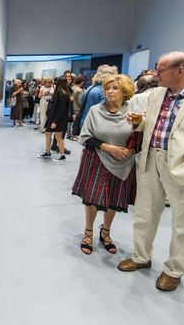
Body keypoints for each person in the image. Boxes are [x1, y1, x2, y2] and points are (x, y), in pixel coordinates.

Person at [118, 52, 184, 292]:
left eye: (160, 70)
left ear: (180, 71)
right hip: (151, 160)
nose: (155, 74)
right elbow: (150, 124)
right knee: (144, 214)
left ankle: (173, 270)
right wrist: (137, 123)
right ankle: (141, 256)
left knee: (182, 224)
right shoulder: (157, 94)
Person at [72, 74, 136, 255]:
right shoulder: (95, 110)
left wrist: (131, 149)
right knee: (92, 197)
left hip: (122, 161)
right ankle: (88, 231)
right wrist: (109, 148)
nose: (110, 91)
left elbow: (139, 135)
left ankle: (105, 232)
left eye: (115, 88)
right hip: (96, 158)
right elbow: (86, 136)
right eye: (107, 88)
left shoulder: (133, 111)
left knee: (113, 199)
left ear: (125, 91)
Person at [37, 77, 71, 161]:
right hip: (52, 117)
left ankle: (62, 155)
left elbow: (62, 110)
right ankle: (47, 151)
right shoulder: (58, 93)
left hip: (58, 119)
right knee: (47, 133)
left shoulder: (63, 94)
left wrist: (55, 122)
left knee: (58, 136)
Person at [79, 65, 118, 130]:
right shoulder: (102, 91)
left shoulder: (90, 88)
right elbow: (105, 112)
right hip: (95, 125)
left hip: (85, 122)